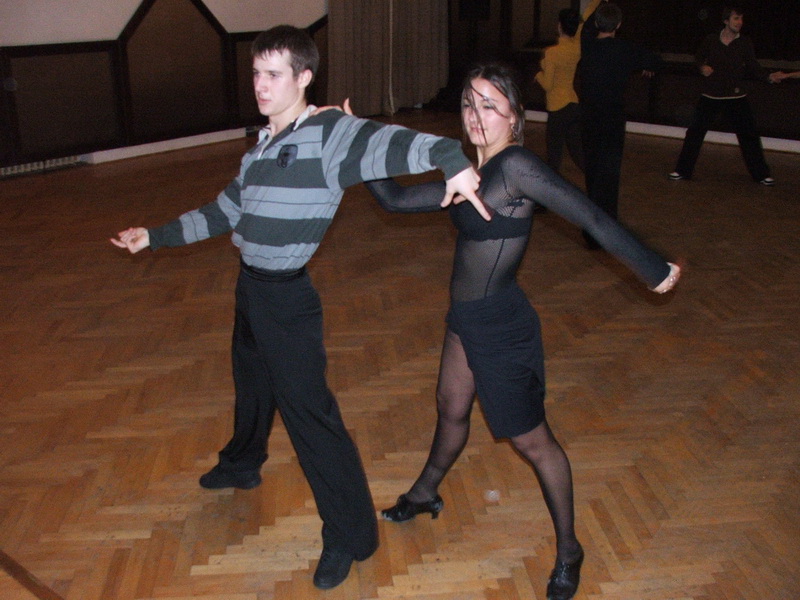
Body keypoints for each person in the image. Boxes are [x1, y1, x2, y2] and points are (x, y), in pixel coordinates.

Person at [110, 24, 489, 591]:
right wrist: (155, 236)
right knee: (252, 383)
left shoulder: (328, 133)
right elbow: (225, 211)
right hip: (250, 288)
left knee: (311, 418)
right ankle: (242, 464)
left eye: (274, 74)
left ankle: (352, 536)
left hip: (286, 299)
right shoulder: (263, 144)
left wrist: (450, 159)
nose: (260, 86)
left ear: (304, 77)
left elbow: (396, 141)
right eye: (256, 74)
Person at [359, 63, 680, 600]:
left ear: (515, 115)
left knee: (534, 442)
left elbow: (592, 217)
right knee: (451, 407)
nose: (476, 115)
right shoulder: (470, 172)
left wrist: (653, 270)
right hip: (467, 319)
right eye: (469, 103)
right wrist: (359, 145)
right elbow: (394, 200)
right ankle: (425, 493)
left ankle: (570, 550)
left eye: (490, 104)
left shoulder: (518, 167)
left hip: (501, 328)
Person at [668, 6, 785, 185]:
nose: (740, 22)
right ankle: (682, 170)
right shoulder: (711, 40)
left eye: (741, 19)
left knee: (749, 136)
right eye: (736, 18)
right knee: (694, 133)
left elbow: (753, 66)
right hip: (710, 96)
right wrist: (702, 67)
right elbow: (698, 58)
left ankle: (761, 174)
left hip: (736, 97)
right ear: (726, 21)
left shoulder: (744, 42)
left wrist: (769, 77)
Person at [579, 1, 662, 247]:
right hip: (612, 119)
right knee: (609, 175)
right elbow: (655, 60)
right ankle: (606, 230)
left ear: (597, 23)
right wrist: (647, 67)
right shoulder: (625, 50)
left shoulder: (588, 46)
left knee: (593, 172)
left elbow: (587, 26)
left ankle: (591, 231)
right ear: (619, 25)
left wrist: (600, 6)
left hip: (589, 118)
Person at [534, 1, 601, 173]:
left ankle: (551, 189)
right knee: (578, 153)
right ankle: (597, 180)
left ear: (559, 26)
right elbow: (585, 19)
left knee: (554, 156)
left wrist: (538, 74)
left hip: (558, 108)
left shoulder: (552, 53)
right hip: (573, 104)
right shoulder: (576, 47)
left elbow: (548, 85)